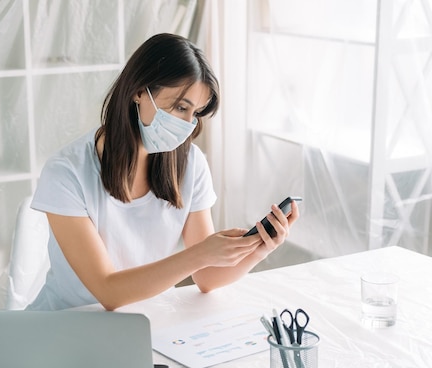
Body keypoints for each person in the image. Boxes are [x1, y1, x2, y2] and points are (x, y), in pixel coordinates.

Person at [27, 33, 299, 311]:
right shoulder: (66, 173)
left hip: (144, 323)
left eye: (196, 113)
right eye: (181, 107)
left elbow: (207, 277)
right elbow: (107, 291)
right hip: (66, 325)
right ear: (139, 91)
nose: (188, 124)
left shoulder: (191, 164)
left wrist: (260, 248)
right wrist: (199, 254)